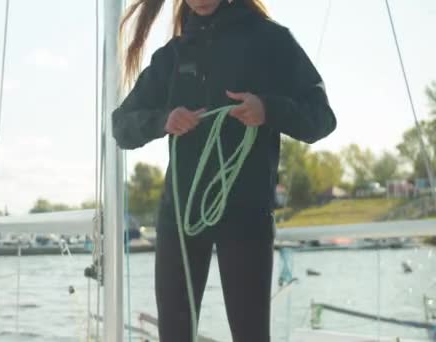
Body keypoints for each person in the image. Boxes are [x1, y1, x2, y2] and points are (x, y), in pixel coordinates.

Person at [112, 0, 337, 341]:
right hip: (180, 216)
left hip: (246, 214)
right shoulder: (173, 55)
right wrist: (162, 121)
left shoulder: (270, 42)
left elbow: (321, 117)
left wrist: (267, 108)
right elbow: (121, 126)